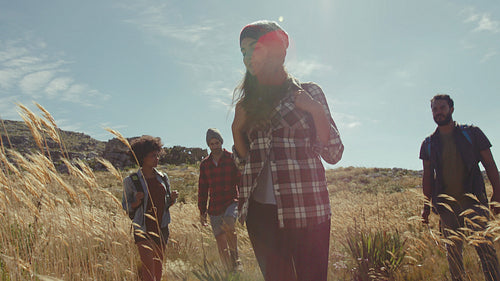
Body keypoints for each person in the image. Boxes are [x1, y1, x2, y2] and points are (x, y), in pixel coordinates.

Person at [231, 20, 344, 281]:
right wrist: (237, 130)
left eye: (253, 48)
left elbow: (334, 153)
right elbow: (245, 164)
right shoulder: (247, 104)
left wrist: (315, 110)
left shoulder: (309, 92)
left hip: (307, 209)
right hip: (261, 215)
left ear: (275, 48)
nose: (247, 56)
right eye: (243, 51)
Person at [420, 94, 500, 281]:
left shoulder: (472, 134)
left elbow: (490, 164)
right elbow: (428, 178)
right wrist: (426, 207)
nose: (438, 112)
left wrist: (497, 193)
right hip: (447, 209)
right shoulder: (429, 143)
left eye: (442, 108)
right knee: (453, 256)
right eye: (435, 109)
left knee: (486, 251)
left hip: (475, 203)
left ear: (452, 109)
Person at [122, 135, 179, 281]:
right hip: (142, 227)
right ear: (142, 158)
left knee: (158, 265)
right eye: (153, 156)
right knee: (148, 268)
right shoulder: (131, 181)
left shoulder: (163, 177)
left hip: (161, 227)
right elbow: (126, 206)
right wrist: (136, 201)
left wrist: (171, 199)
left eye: (157, 155)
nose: (157, 158)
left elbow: (166, 205)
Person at [198, 128, 242, 271]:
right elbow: (203, 188)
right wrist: (202, 210)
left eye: (217, 143)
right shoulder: (205, 164)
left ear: (221, 142)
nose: (215, 146)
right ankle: (229, 271)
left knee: (229, 223)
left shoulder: (231, 158)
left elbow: (240, 181)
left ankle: (236, 259)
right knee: (220, 240)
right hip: (214, 206)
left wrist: (243, 202)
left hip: (231, 200)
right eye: (211, 144)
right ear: (208, 145)